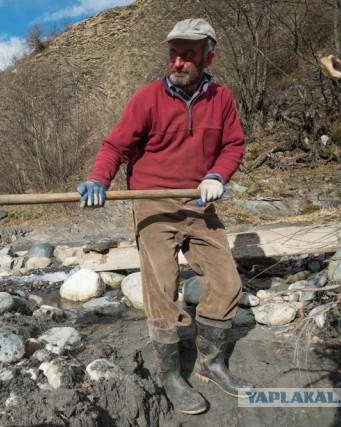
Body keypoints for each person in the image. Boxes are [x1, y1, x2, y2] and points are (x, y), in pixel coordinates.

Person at [77, 18, 254, 414]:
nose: (178, 62)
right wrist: (96, 179)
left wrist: (217, 175)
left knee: (227, 284)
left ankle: (210, 363)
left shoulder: (222, 98)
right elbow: (114, 147)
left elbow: (233, 145)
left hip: (199, 200)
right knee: (162, 287)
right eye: (174, 54)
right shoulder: (146, 99)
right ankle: (171, 375)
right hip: (152, 201)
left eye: (188, 55)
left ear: (208, 57)